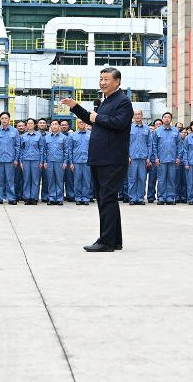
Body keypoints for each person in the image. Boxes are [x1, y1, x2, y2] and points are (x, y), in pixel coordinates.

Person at [62, 67, 134, 253]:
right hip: (100, 157)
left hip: (112, 158)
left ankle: (106, 241)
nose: (102, 82)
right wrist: (74, 106)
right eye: (101, 79)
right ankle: (115, 240)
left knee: (107, 198)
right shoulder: (106, 101)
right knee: (104, 198)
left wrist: (98, 117)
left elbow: (120, 123)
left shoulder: (123, 102)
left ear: (117, 82)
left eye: (106, 79)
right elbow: (91, 119)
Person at [151, 112, 181, 205]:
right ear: (162, 119)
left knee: (172, 179)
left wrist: (178, 157)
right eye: (165, 117)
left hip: (172, 159)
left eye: (168, 117)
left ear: (171, 119)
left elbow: (179, 145)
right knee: (161, 179)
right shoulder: (157, 131)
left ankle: (170, 197)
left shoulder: (176, 131)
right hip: (161, 159)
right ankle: (161, 197)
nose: (167, 119)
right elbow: (154, 146)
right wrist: (156, 157)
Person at [18, 119, 46, 205]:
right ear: (26, 125)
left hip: (36, 160)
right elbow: (21, 149)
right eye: (28, 123)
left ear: (34, 125)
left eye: (31, 123)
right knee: (26, 179)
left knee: (35, 180)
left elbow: (42, 149)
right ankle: (27, 198)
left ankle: (34, 198)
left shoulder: (39, 136)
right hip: (26, 160)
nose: (30, 125)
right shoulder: (23, 136)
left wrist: (41, 161)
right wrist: (21, 162)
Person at [127, 110, 151, 205]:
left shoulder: (147, 129)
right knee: (132, 179)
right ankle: (132, 198)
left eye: (139, 114)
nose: (137, 116)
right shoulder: (128, 128)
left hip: (143, 158)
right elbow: (125, 143)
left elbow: (149, 144)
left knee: (142, 178)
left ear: (142, 115)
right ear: (133, 116)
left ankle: (140, 198)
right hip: (132, 158)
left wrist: (148, 157)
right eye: (136, 114)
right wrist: (127, 156)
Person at [68, 119, 92, 206]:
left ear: (85, 123)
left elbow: (93, 148)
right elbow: (70, 150)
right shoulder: (72, 135)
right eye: (79, 122)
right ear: (77, 124)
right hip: (76, 161)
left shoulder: (90, 134)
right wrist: (71, 163)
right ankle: (78, 198)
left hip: (87, 161)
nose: (81, 123)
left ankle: (85, 198)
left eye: (83, 122)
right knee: (77, 180)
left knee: (87, 180)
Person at [44, 120, 68, 205]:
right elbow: (44, 151)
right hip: (49, 161)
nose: (54, 126)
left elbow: (66, 151)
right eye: (52, 124)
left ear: (59, 126)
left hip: (60, 162)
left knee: (59, 180)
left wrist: (65, 162)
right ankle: (51, 198)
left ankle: (59, 198)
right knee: (50, 180)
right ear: (50, 126)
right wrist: (44, 161)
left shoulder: (64, 137)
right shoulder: (46, 137)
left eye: (56, 124)